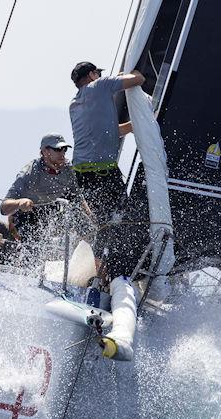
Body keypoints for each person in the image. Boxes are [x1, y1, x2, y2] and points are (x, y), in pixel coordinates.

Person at [69, 61, 146, 278]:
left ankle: (102, 270)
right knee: (122, 217)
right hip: (103, 172)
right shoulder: (101, 85)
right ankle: (108, 272)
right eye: (98, 73)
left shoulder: (75, 103)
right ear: (92, 74)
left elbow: (111, 131)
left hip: (83, 174)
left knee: (105, 221)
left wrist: (141, 122)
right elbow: (139, 79)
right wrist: (133, 71)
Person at [0, 133, 80, 244]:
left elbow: (79, 199)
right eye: (58, 149)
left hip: (52, 211)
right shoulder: (29, 172)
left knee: (77, 217)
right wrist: (19, 203)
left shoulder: (68, 169)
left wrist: (93, 220)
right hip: (27, 214)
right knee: (33, 238)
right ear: (45, 152)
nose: (62, 153)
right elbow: (3, 207)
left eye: (64, 149)